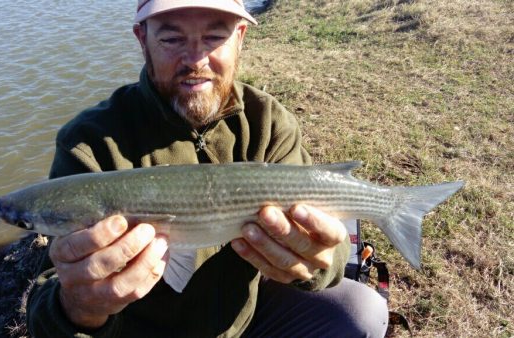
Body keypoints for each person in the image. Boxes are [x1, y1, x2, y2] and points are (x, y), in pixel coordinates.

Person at [26, 1, 389, 337]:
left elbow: (332, 254)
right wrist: (80, 307)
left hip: (245, 321)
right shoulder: (88, 142)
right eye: (171, 37)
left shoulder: (268, 121)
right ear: (143, 38)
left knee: (360, 311)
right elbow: (48, 296)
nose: (195, 58)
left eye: (215, 36)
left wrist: (318, 259)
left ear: (240, 39)